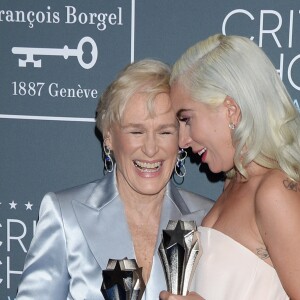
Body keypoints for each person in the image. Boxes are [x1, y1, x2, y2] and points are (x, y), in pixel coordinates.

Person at [16, 59, 214, 300]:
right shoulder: (65, 215)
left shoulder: (207, 219)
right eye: (136, 131)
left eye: (164, 131)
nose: (151, 149)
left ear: (181, 138)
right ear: (109, 136)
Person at [160, 34, 300, 300]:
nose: (182, 140)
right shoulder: (233, 183)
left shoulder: (274, 192)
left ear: (231, 110)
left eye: (187, 119)